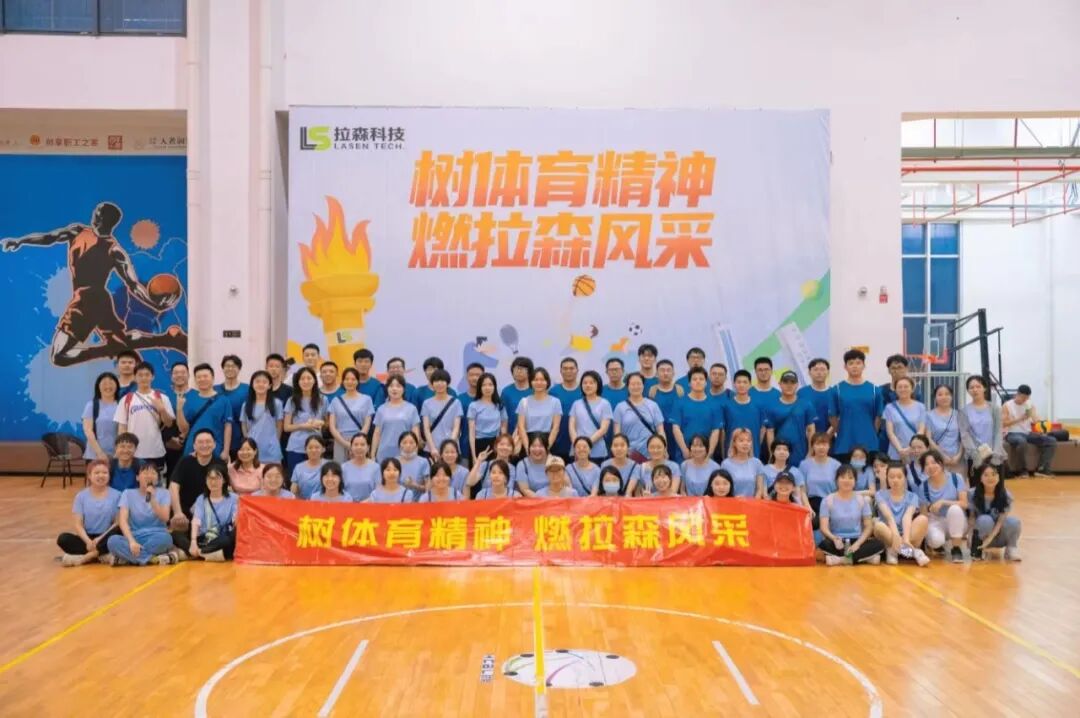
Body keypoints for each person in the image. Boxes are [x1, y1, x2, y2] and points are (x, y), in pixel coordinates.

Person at [0, 204, 185, 366]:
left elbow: (133, 284)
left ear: (109, 223)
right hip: (98, 300)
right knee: (121, 343)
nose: (95, 218)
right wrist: (20, 241)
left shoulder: (114, 251)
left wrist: (155, 305)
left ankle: (115, 348)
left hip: (86, 300)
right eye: (96, 214)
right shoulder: (77, 231)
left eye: (100, 216)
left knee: (59, 356)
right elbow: (49, 237)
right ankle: (167, 339)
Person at [105, 462, 179, 566]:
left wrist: (152, 499)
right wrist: (131, 542)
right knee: (112, 541)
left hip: (157, 535)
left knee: (167, 539)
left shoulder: (164, 493)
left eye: (153, 473)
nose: (149, 476)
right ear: (137, 477)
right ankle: (153, 559)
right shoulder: (127, 493)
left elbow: (165, 517)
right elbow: (123, 521)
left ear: (157, 478)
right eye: (145, 472)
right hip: (135, 536)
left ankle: (128, 559)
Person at [57, 459, 121, 566]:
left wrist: (100, 539)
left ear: (109, 475)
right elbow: (78, 524)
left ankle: (88, 556)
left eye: (105, 473)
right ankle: (101, 555)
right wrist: (88, 541)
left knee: (120, 531)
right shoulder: (81, 496)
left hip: (106, 536)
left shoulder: (118, 495)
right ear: (89, 476)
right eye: (97, 473)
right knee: (63, 539)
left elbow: (117, 523)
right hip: (87, 538)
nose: (101, 475)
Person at [818, 464, 885, 566]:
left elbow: (868, 527)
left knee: (879, 544)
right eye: (843, 477)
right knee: (824, 544)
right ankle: (864, 558)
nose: (847, 480)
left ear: (855, 481)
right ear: (836, 480)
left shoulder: (861, 500)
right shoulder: (827, 500)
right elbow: (823, 527)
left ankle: (841, 560)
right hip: (838, 541)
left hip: (857, 539)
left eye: (850, 478)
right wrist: (834, 538)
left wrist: (858, 544)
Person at [114, 362, 175, 470]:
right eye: (140, 375)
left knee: (155, 479)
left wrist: (162, 409)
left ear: (152, 377)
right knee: (134, 479)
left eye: (147, 375)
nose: (144, 378)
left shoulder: (162, 398)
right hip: (133, 452)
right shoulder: (127, 399)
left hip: (155, 451)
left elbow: (169, 423)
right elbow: (122, 427)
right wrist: (121, 449)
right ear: (135, 377)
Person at [168, 430, 224, 539]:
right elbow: (173, 486)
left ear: (214, 444)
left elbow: (223, 492)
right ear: (194, 445)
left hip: (208, 513)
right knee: (177, 535)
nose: (204, 445)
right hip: (184, 511)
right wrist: (178, 512)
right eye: (200, 442)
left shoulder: (220, 464)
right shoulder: (185, 461)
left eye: (208, 442)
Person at [830, 349, 883, 464]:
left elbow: (878, 417)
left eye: (858, 363)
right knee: (845, 474)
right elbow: (832, 416)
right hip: (844, 444)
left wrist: (870, 433)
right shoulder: (837, 389)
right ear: (845, 367)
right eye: (851, 363)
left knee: (869, 474)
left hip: (869, 444)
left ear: (864, 366)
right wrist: (842, 431)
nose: (855, 366)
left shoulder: (874, 390)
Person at [873, 461, 930, 566]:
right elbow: (889, 517)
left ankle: (894, 551)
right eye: (891, 477)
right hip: (889, 532)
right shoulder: (880, 495)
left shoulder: (912, 496)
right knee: (878, 526)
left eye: (899, 477)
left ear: (905, 478)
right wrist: (895, 536)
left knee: (923, 519)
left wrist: (906, 538)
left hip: (907, 533)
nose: (895, 480)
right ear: (887, 478)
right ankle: (913, 553)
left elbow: (907, 517)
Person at [919, 449, 971, 563]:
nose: (931, 467)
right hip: (936, 520)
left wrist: (943, 502)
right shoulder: (923, 486)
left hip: (957, 520)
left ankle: (956, 549)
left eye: (934, 462)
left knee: (955, 509)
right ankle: (938, 545)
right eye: (926, 464)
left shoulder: (956, 478)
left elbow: (964, 504)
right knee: (935, 541)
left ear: (941, 464)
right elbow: (923, 514)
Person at [969, 463, 1022, 561]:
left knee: (1014, 522)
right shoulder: (972, 494)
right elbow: (971, 518)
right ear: (980, 478)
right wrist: (970, 537)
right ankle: (979, 549)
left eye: (993, 474)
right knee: (985, 520)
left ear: (998, 477)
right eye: (986, 475)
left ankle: (1011, 549)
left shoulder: (1006, 495)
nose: (990, 478)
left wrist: (990, 539)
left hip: (998, 536)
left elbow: (1000, 521)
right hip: (981, 536)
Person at [177, 363, 230, 462]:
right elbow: (183, 429)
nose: (202, 379)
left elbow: (228, 426)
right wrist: (179, 409)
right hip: (192, 449)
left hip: (215, 449)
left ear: (212, 378)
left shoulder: (223, 400)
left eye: (205, 376)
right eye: (199, 377)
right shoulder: (189, 399)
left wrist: (226, 451)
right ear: (195, 379)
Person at [1002, 384, 1057, 477]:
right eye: (1023, 398)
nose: (1025, 400)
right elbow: (1004, 423)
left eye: (1027, 398)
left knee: (1051, 441)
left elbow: (1036, 419)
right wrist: (1020, 418)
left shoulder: (1029, 405)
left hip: (1027, 433)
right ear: (1017, 394)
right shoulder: (1007, 405)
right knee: (1021, 441)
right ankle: (1022, 470)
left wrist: (1041, 426)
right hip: (1012, 433)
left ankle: (1042, 469)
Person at [763, 371, 817, 464]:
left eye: (792, 382)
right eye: (786, 382)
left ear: (797, 385)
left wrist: (810, 452)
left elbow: (811, 429)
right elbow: (770, 432)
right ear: (780, 384)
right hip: (779, 455)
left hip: (801, 453)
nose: (789, 385)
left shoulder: (806, 404)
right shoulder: (771, 405)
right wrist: (772, 454)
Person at [187, 464, 239, 560]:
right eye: (210, 478)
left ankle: (200, 553)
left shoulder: (233, 498)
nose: (213, 482)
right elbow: (196, 521)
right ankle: (208, 553)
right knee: (176, 534)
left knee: (234, 535)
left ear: (224, 480)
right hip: (205, 538)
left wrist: (237, 519)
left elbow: (235, 520)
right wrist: (193, 541)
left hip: (222, 538)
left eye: (217, 478)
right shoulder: (201, 499)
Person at [671, 367, 721, 463]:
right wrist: (684, 450)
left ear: (706, 383)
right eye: (694, 379)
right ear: (689, 383)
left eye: (701, 379)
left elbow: (716, 431)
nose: (698, 381)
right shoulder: (679, 402)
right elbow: (676, 428)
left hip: (706, 456)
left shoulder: (714, 404)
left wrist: (709, 453)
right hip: (684, 456)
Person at [282, 367, 327, 473]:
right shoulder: (291, 400)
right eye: (302, 379)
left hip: (316, 446)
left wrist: (321, 423)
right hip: (296, 446)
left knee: (317, 478)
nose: (306, 381)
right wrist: (303, 426)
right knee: (295, 478)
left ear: (314, 381)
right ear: (297, 382)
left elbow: (327, 423)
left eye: (309, 378)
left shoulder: (323, 399)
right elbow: (286, 427)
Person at [613, 372, 665, 462]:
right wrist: (621, 451)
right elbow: (617, 433)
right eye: (633, 384)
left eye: (639, 384)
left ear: (643, 386)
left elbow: (661, 431)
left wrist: (664, 449)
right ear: (627, 387)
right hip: (629, 454)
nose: (636, 387)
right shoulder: (620, 407)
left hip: (652, 453)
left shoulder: (653, 405)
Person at [878, 354, 924, 453]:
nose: (896, 371)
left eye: (900, 367)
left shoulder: (916, 392)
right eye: (893, 368)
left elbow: (920, 418)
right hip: (886, 436)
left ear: (906, 369)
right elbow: (878, 414)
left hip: (910, 436)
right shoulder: (880, 391)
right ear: (889, 370)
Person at [328, 367, 375, 463]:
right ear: (342, 381)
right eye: (347, 379)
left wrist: (357, 441)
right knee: (340, 469)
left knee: (360, 467)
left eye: (353, 379)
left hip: (360, 442)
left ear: (358, 381)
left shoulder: (366, 399)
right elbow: (332, 427)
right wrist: (346, 443)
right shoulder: (336, 401)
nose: (350, 382)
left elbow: (367, 424)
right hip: (340, 440)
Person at [961, 375, 1006, 474]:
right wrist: (975, 454)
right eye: (971, 387)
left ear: (984, 388)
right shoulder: (964, 411)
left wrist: (996, 453)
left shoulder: (995, 408)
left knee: (995, 482)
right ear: (968, 390)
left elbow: (998, 431)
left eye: (978, 386)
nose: (975, 390)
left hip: (994, 455)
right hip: (975, 457)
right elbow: (965, 434)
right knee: (977, 483)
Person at [371, 375, 421, 463]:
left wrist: (415, 453)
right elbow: (376, 433)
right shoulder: (381, 409)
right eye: (391, 386)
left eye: (398, 386)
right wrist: (372, 455)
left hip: (406, 452)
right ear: (387, 389)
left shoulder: (411, 408)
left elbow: (415, 433)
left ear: (404, 389)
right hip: (384, 453)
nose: (394, 389)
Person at [568, 370, 613, 462]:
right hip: (577, 451)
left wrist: (586, 444)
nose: (588, 385)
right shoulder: (576, 404)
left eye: (591, 383)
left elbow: (603, 429)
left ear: (598, 384)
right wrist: (578, 445)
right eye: (585, 383)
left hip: (598, 451)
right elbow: (571, 427)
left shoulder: (605, 404)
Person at [515, 367, 562, 454]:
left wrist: (547, 448)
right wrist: (527, 448)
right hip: (527, 442)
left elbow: (555, 428)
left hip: (548, 441)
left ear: (547, 382)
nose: (539, 383)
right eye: (535, 380)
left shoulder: (555, 402)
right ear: (531, 382)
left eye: (542, 380)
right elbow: (521, 427)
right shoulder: (524, 402)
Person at [241, 370, 284, 464]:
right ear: (252, 384)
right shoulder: (246, 405)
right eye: (257, 381)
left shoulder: (277, 403)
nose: (261, 384)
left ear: (269, 385)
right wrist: (248, 442)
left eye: (264, 382)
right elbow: (244, 425)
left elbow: (279, 426)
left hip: (271, 450)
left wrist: (275, 441)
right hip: (252, 450)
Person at [798, 432, 841, 525]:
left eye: (824, 444)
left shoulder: (836, 465)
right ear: (813, 446)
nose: (821, 447)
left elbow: (840, 489)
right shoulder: (804, 464)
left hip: (831, 502)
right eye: (818, 444)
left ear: (829, 446)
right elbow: (802, 490)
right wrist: (808, 508)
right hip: (811, 503)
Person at [926, 384, 970, 475]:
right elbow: (928, 439)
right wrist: (943, 456)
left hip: (957, 460)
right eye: (940, 394)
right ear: (935, 398)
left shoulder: (959, 415)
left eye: (947, 394)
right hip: (937, 459)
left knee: (958, 482)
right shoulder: (928, 415)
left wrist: (958, 456)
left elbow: (964, 437)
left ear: (952, 396)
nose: (944, 397)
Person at [720, 370, 765, 458]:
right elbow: (723, 432)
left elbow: (762, 430)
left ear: (750, 384)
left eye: (745, 382)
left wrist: (756, 446)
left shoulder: (758, 405)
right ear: (734, 384)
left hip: (753, 454)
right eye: (739, 382)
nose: (741, 385)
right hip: (732, 454)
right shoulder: (726, 405)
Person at [420, 368, 462, 459]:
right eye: (436, 381)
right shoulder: (426, 403)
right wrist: (432, 448)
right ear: (432, 384)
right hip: (432, 449)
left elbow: (456, 428)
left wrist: (449, 447)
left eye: (442, 381)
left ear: (448, 383)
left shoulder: (456, 403)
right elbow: (426, 428)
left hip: (451, 450)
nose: (439, 384)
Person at [883, 377, 927, 462]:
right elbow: (890, 433)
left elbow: (921, 430)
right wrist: (900, 450)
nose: (903, 389)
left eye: (906, 386)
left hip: (916, 451)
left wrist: (911, 448)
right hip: (896, 452)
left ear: (912, 389)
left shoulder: (921, 407)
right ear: (895, 390)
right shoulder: (889, 408)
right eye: (900, 387)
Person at [468, 372, 508, 462]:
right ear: (480, 388)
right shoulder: (473, 406)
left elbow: (504, 428)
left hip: (495, 444)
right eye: (484, 385)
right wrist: (474, 456)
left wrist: (503, 449)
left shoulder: (500, 405)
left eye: (490, 385)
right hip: (478, 443)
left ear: (494, 387)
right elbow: (471, 432)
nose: (487, 388)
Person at [648, 359, 684, 457]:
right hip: (659, 433)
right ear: (657, 373)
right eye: (662, 370)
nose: (665, 373)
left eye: (668, 370)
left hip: (678, 434)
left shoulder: (680, 390)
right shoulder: (652, 391)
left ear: (673, 373)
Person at [215, 355, 248, 456]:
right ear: (223, 368)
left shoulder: (247, 389)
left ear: (239, 369)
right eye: (227, 366)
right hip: (218, 439)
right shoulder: (215, 390)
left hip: (240, 440)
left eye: (233, 366)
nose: (230, 368)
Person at [549, 357, 582, 461]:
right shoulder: (553, 392)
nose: (568, 371)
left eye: (571, 368)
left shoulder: (584, 391)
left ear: (577, 370)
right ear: (560, 371)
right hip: (557, 444)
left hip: (580, 444)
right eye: (565, 368)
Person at [82, 372, 120, 461]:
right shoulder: (91, 405)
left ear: (117, 386)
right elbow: (88, 431)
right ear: (98, 386)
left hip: (116, 455)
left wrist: (118, 452)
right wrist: (100, 453)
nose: (108, 386)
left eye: (111, 383)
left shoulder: (121, 405)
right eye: (104, 383)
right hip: (94, 456)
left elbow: (123, 431)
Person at [720, 428, 766, 498]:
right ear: (734, 443)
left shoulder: (757, 463)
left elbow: (759, 489)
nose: (745, 443)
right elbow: (722, 488)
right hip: (731, 502)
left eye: (748, 441)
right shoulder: (726, 464)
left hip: (752, 503)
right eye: (741, 440)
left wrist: (754, 502)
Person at [456, 361, 485, 464]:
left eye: (478, 375)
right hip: (465, 448)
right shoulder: (459, 399)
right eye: (471, 375)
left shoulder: (489, 399)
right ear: (466, 377)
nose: (475, 378)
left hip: (486, 448)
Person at [162, 361, 190, 470]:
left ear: (188, 375)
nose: (179, 375)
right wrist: (169, 440)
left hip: (191, 445)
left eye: (183, 372)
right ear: (171, 376)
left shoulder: (196, 395)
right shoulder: (164, 397)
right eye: (176, 373)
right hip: (169, 447)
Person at [798, 358, 836, 436]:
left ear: (828, 372)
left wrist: (826, 437)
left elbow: (837, 418)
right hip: (805, 438)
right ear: (809, 372)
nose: (819, 372)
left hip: (828, 439)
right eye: (815, 369)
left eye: (822, 369)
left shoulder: (834, 393)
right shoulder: (801, 393)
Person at [340, 434, 379, 501]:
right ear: (351, 447)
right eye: (356, 445)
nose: (359, 447)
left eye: (362, 445)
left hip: (369, 504)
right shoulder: (343, 467)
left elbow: (378, 491)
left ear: (368, 448)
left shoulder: (376, 467)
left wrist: (364, 503)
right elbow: (340, 490)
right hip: (348, 504)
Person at [500, 356, 535, 432]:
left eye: (522, 369)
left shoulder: (535, 391)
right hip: (510, 433)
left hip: (532, 433)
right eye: (516, 369)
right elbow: (502, 416)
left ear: (529, 372)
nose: (519, 371)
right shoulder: (506, 392)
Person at [290, 435, 328, 499]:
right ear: (305, 450)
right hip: (303, 502)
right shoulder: (298, 467)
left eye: (317, 447)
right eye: (310, 448)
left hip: (323, 502)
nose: (313, 450)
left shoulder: (329, 465)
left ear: (323, 449)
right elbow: (294, 490)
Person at [515, 433, 552, 497]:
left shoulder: (554, 462)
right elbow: (524, 489)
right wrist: (543, 500)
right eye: (533, 446)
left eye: (541, 446)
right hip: (531, 500)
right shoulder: (522, 465)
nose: (537, 449)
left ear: (546, 448)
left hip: (553, 499)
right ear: (529, 448)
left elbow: (562, 485)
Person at [397, 430, 431, 500]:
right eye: (404, 442)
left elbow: (428, 489)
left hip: (418, 502)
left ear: (416, 445)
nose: (408, 445)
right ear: (400, 445)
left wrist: (414, 485)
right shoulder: (394, 462)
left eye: (411, 442)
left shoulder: (423, 462)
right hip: (398, 502)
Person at [602, 358, 630, 437]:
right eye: (611, 370)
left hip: (626, 435)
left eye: (617, 369)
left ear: (623, 371)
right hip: (604, 434)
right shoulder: (600, 391)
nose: (614, 372)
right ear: (606, 372)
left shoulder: (630, 390)